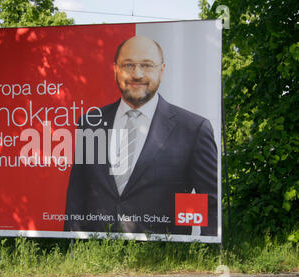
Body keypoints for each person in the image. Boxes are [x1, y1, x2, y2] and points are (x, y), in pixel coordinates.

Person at [64, 35, 217, 236]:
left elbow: (209, 204)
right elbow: (77, 196)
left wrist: (203, 258)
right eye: (128, 65)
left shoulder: (193, 129)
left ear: (161, 70)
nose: (137, 74)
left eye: (147, 65)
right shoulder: (91, 123)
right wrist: (72, 253)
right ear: (115, 70)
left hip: (162, 260)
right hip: (95, 258)